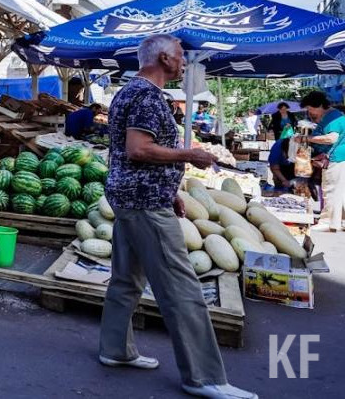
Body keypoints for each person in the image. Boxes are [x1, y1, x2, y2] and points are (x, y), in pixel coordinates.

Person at [99, 34, 255, 399]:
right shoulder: (148, 97)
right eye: (181, 56)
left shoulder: (126, 91)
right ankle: (204, 378)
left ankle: (115, 349)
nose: (185, 63)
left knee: (126, 279)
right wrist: (189, 156)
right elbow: (138, 150)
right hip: (144, 204)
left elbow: (129, 153)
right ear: (165, 58)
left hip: (133, 198)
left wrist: (170, 193)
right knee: (182, 289)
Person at [299, 91, 345, 233]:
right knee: (339, 191)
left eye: (310, 108)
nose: (309, 112)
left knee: (331, 189)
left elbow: (332, 138)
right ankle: (340, 220)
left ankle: (328, 221)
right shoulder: (329, 116)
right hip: (335, 157)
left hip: (336, 158)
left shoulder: (334, 117)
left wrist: (307, 139)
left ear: (319, 105)